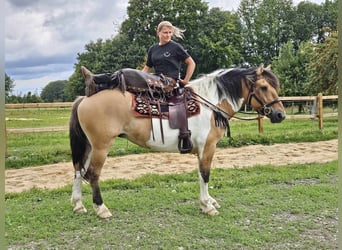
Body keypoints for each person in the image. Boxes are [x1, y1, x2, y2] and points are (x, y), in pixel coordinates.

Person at [142, 21, 196, 88]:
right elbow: (147, 68)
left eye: (170, 32)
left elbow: (191, 63)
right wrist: (138, 77)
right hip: (156, 78)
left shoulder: (176, 47)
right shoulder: (153, 49)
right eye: (165, 32)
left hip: (170, 81)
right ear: (158, 32)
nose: (168, 35)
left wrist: (185, 81)